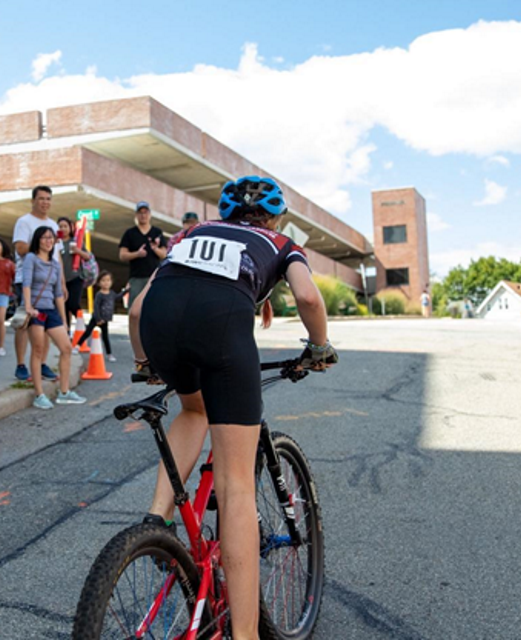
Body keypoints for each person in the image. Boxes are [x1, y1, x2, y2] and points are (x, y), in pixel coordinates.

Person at [130, 176, 337, 640]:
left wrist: (145, 364)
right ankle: (244, 636)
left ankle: (157, 522)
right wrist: (319, 347)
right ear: (276, 216)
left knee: (194, 409)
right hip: (222, 332)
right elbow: (307, 296)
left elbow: (140, 309)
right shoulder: (280, 242)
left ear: (223, 215)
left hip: (161, 326)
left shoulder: (189, 235)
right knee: (238, 487)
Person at [21, 226, 87, 410]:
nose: (49, 241)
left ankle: (64, 392)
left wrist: (64, 320)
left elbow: (58, 293)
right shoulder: (31, 258)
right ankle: (39, 394)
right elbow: (26, 283)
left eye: (51, 238)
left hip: (51, 310)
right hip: (35, 309)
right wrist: (28, 306)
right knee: (38, 350)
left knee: (66, 348)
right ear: (38, 240)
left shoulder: (55, 265)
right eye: (45, 238)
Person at [12, 186, 62, 383]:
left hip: (49, 281)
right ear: (33, 200)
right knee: (24, 323)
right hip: (26, 280)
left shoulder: (53, 224)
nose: (45, 202)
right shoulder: (24, 222)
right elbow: (20, 247)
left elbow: (56, 256)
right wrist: (40, 243)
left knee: (46, 324)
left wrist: (62, 284)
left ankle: (40, 363)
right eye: (41, 198)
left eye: (48, 199)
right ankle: (21, 364)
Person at [118, 201, 166, 303]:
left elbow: (165, 254)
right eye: (140, 213)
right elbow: (122, 255)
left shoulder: (157, 232)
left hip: (154, 277)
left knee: (154, 305)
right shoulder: (130, 233)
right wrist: (137, 254)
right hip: (136, 278)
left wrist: (155, 249)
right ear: (136, 215)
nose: (143, 215)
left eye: (145, 212)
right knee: (135, 308)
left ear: (150, 214)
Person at [75, 271, 128, 362]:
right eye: (103, 280)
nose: (106, 282)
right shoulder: (99, 295)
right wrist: (98, 319)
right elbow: (96, 307)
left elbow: (117, 297)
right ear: (99, 283)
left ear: (111, 282)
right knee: (87, 333)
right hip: (97, 318)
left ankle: (109, 354)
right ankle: (77, 346)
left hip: (105, 319)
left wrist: (126, 290)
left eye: (108, 280)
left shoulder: (111, 293)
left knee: (105, 337)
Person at [57, 216, 92, 323]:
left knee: (73, 304)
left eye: (65, 226)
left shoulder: (76, 241)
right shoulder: (55, 242)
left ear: (70, 228)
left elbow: (88, 256)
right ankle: (66, 333)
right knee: (64, 306)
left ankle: (83, 327)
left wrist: (78, 250)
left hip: (75, 277)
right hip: (60, 279)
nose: (63, 229)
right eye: (60, 226)